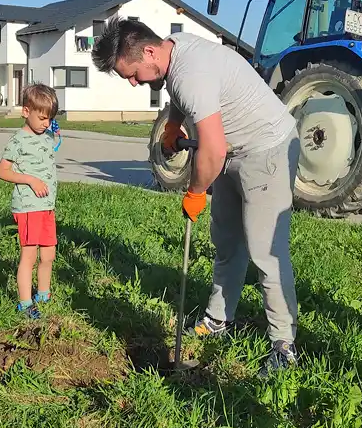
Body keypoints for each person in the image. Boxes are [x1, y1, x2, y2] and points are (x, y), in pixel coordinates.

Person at [91, 19, 301, 376]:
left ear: (148, 51)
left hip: (267, 149)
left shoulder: (190, 74)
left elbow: (212, 149)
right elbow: (182, 97)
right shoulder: (173, 47)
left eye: (133, 74)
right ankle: (218, 320)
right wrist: (174, 123)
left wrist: (196, 191)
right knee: (227, 242)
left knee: (266, 250)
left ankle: (284, 346)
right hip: (235, 150)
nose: (133, 82)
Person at [0, 83, 60, 319]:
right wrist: (30, 180)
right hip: (29, 206)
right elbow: (3, 171)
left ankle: (44, 293)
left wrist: (54, 131)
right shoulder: (18, 141)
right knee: (29, 256)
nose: (46, 123)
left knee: (49, 255)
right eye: (42, 118)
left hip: (47, 206)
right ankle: (25, 302)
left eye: (49, 119)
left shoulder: (48, 135)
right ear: (26, 111)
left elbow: (49, 147)